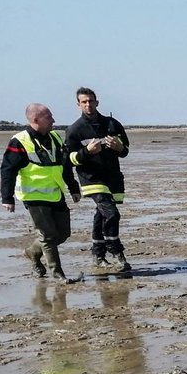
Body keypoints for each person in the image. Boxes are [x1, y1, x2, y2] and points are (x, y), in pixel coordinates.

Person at [0, 103, 81, 281]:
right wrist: (7, 197)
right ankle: (58, 275)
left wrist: (73, 187)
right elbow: (7, 169)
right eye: (49, 117)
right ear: (35, 120)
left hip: (55, 193)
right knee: (47, 235)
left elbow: (65, 165)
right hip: (33, 196)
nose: (54, 120)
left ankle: (32, 252)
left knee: (62, 234)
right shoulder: (19, 141)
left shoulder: (55, 138)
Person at [65, 87, 131, 271]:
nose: (88, 105)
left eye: (91, 101)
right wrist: (86, 152)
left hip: (112, 177)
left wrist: (119, 148)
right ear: (78, 105)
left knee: (101, 214)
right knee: (111, 214)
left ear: (97, 102)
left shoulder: (112, 124)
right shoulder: (74, 130)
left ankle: (97, 254)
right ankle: (116, 251)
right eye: (84, 102)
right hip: (91, 178)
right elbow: (68, 160)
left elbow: (125, 151)